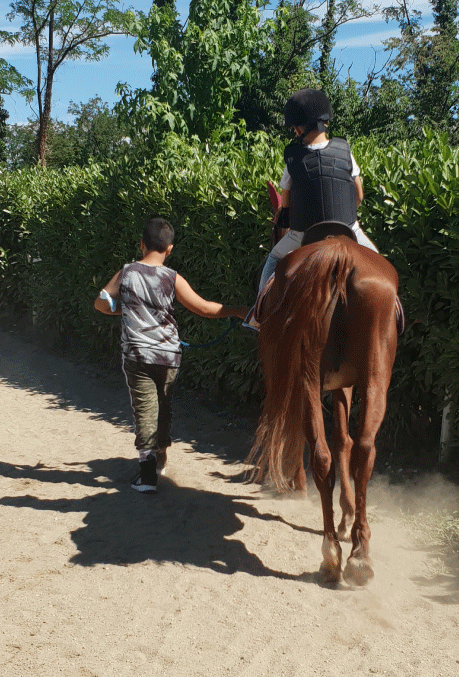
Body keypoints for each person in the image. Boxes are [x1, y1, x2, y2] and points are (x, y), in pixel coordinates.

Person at [94, 217, 249, 494]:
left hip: (137, 356)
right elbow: (203, 308)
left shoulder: (127, 272)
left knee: (144, 410)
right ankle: (160, 456)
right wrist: (238, 310)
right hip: (167, 355)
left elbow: (101, 302)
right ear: (169, 249)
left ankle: (146, 474)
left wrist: (124, 309)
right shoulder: (172, 277)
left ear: (142, 244)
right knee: (163, 408)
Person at [243, 89, 378, 330]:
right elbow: (359, 194)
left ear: (299, 128)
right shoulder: (345, 150)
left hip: (302, 234)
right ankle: (394, 308)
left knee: (273, 259)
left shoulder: (293, 157)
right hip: (348, 228)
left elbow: (285, 202)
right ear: (324, 121)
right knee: (377, 262)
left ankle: (258, 314)